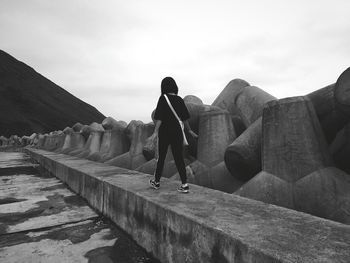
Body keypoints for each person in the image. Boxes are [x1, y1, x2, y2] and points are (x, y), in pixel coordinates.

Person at [149, 77, 198, 193]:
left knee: (161, 157)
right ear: (174, 86)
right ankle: (184, 184)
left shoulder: (163, 98)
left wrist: (155, 133)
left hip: (165, 132)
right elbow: (185, 118)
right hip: (177, 132)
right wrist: (190, 131)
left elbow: (159, 118)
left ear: (164, 87)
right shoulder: (180, 100)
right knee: (179, 158)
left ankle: (156, 182)